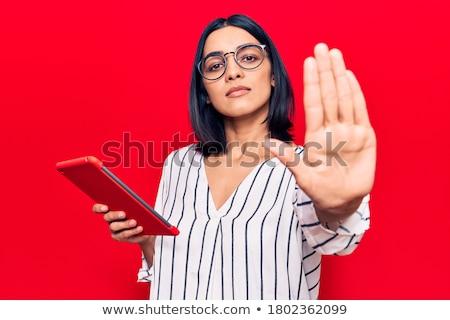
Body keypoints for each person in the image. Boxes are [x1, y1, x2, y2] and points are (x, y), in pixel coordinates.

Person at [93, 14, 376, 300]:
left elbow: (337, 240)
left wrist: (341, 206)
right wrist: (148, 241)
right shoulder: (178, 165)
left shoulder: (308, 168)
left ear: (274, 74)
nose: (232, 73)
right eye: (216, 65)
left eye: (249, 58)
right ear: (205, 92)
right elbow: (172, 275)